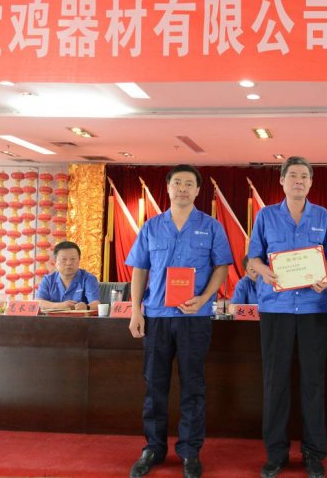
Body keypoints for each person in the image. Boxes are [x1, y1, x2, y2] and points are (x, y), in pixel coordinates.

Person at [126, 164, 232, 478]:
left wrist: (205, 298)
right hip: (157, 317)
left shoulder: (211, 226)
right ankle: (153, 448)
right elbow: (140, 270)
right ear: (169, 188)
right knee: (154, 385)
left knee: (193, 387)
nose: (183, 188)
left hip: (193, 317)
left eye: (189, 184)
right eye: (177, 183)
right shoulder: (151, 226)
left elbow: (222, 267)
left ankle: (189, 451)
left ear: (198, 190)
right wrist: (135, 310)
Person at [248, 156, 327, 478]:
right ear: (282, 181)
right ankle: (276, 454)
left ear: (311, 183)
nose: (299, 181)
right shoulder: (266, 216)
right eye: (293, 175)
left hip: (312, 309)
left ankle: (314, 454)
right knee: (276, 384)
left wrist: (326, 275)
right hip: (276, 309)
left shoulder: (322, 216)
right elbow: (253, 257)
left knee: (313, 383)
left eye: (304, 176)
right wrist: (264, 271)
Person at [36, 240, 100, 310]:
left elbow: (96, 304)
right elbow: (38, 303)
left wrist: (87, 307)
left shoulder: (88, 278)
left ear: (79, 260)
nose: (69, 263)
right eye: (64, 259)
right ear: (55, 262)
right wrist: (60, 306)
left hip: (80, 317)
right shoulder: (48, 280)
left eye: (73, 259)